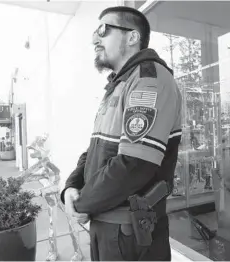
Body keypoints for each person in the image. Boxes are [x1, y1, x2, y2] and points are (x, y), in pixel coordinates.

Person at [60, 6, 182, 261]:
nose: (95, 38)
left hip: (129, 233)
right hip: (107, 226)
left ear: (132, 37)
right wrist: (72, 187)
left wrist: (82, 204)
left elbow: (135, 164)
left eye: (103, 30)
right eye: (95, 31)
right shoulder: (119, 84)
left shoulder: (149, 79)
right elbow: (95, 151)